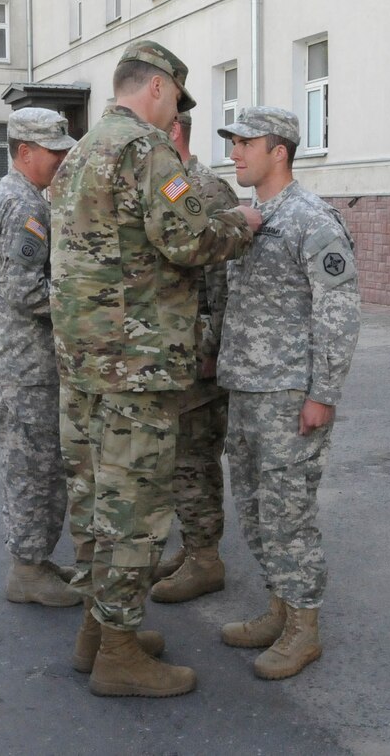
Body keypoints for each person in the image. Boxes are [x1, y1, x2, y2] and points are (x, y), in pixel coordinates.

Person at [50, 39, 261, 698]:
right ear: (158, 87)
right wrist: (243, 221)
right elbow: (189, 239)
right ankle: (119, 654)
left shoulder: (79, 152)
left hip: (84, 362)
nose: (174, 110)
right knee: (134, 509)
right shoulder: (146, 149)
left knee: (94, 501)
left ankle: (96, 633)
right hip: (134, 366)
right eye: (174, 96)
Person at [216, 106, 361, 680]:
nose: (235, 154)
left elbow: (340, 312)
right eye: (233, 143)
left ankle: (304, 627)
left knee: (288, 513)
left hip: (288, 393)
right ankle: (278, 606)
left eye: (245, 144)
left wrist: (323, 392)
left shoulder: (312, 219)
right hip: (245, 387)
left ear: (279, 151)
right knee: (253, 508)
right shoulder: (248, 216)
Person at [0, 107, 81, 608]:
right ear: (25, 152)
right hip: (26, 365)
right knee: (34, 469)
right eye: (54, 152)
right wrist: (83, 305)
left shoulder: (16, 194)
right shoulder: (25, 206)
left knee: (34, 465)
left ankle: (34, 559)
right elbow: (25, 291)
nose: (61, 160)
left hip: (16, 360)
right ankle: (27, 570)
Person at [150, 111, 236, 603]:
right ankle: (194, 547)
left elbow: (224, 278)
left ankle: (206, 560)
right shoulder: (170, 185)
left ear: (173, 132)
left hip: (198, 351)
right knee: (180, 456)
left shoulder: (205, 188)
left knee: (195, 456)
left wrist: (210, 346)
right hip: (173, 347)